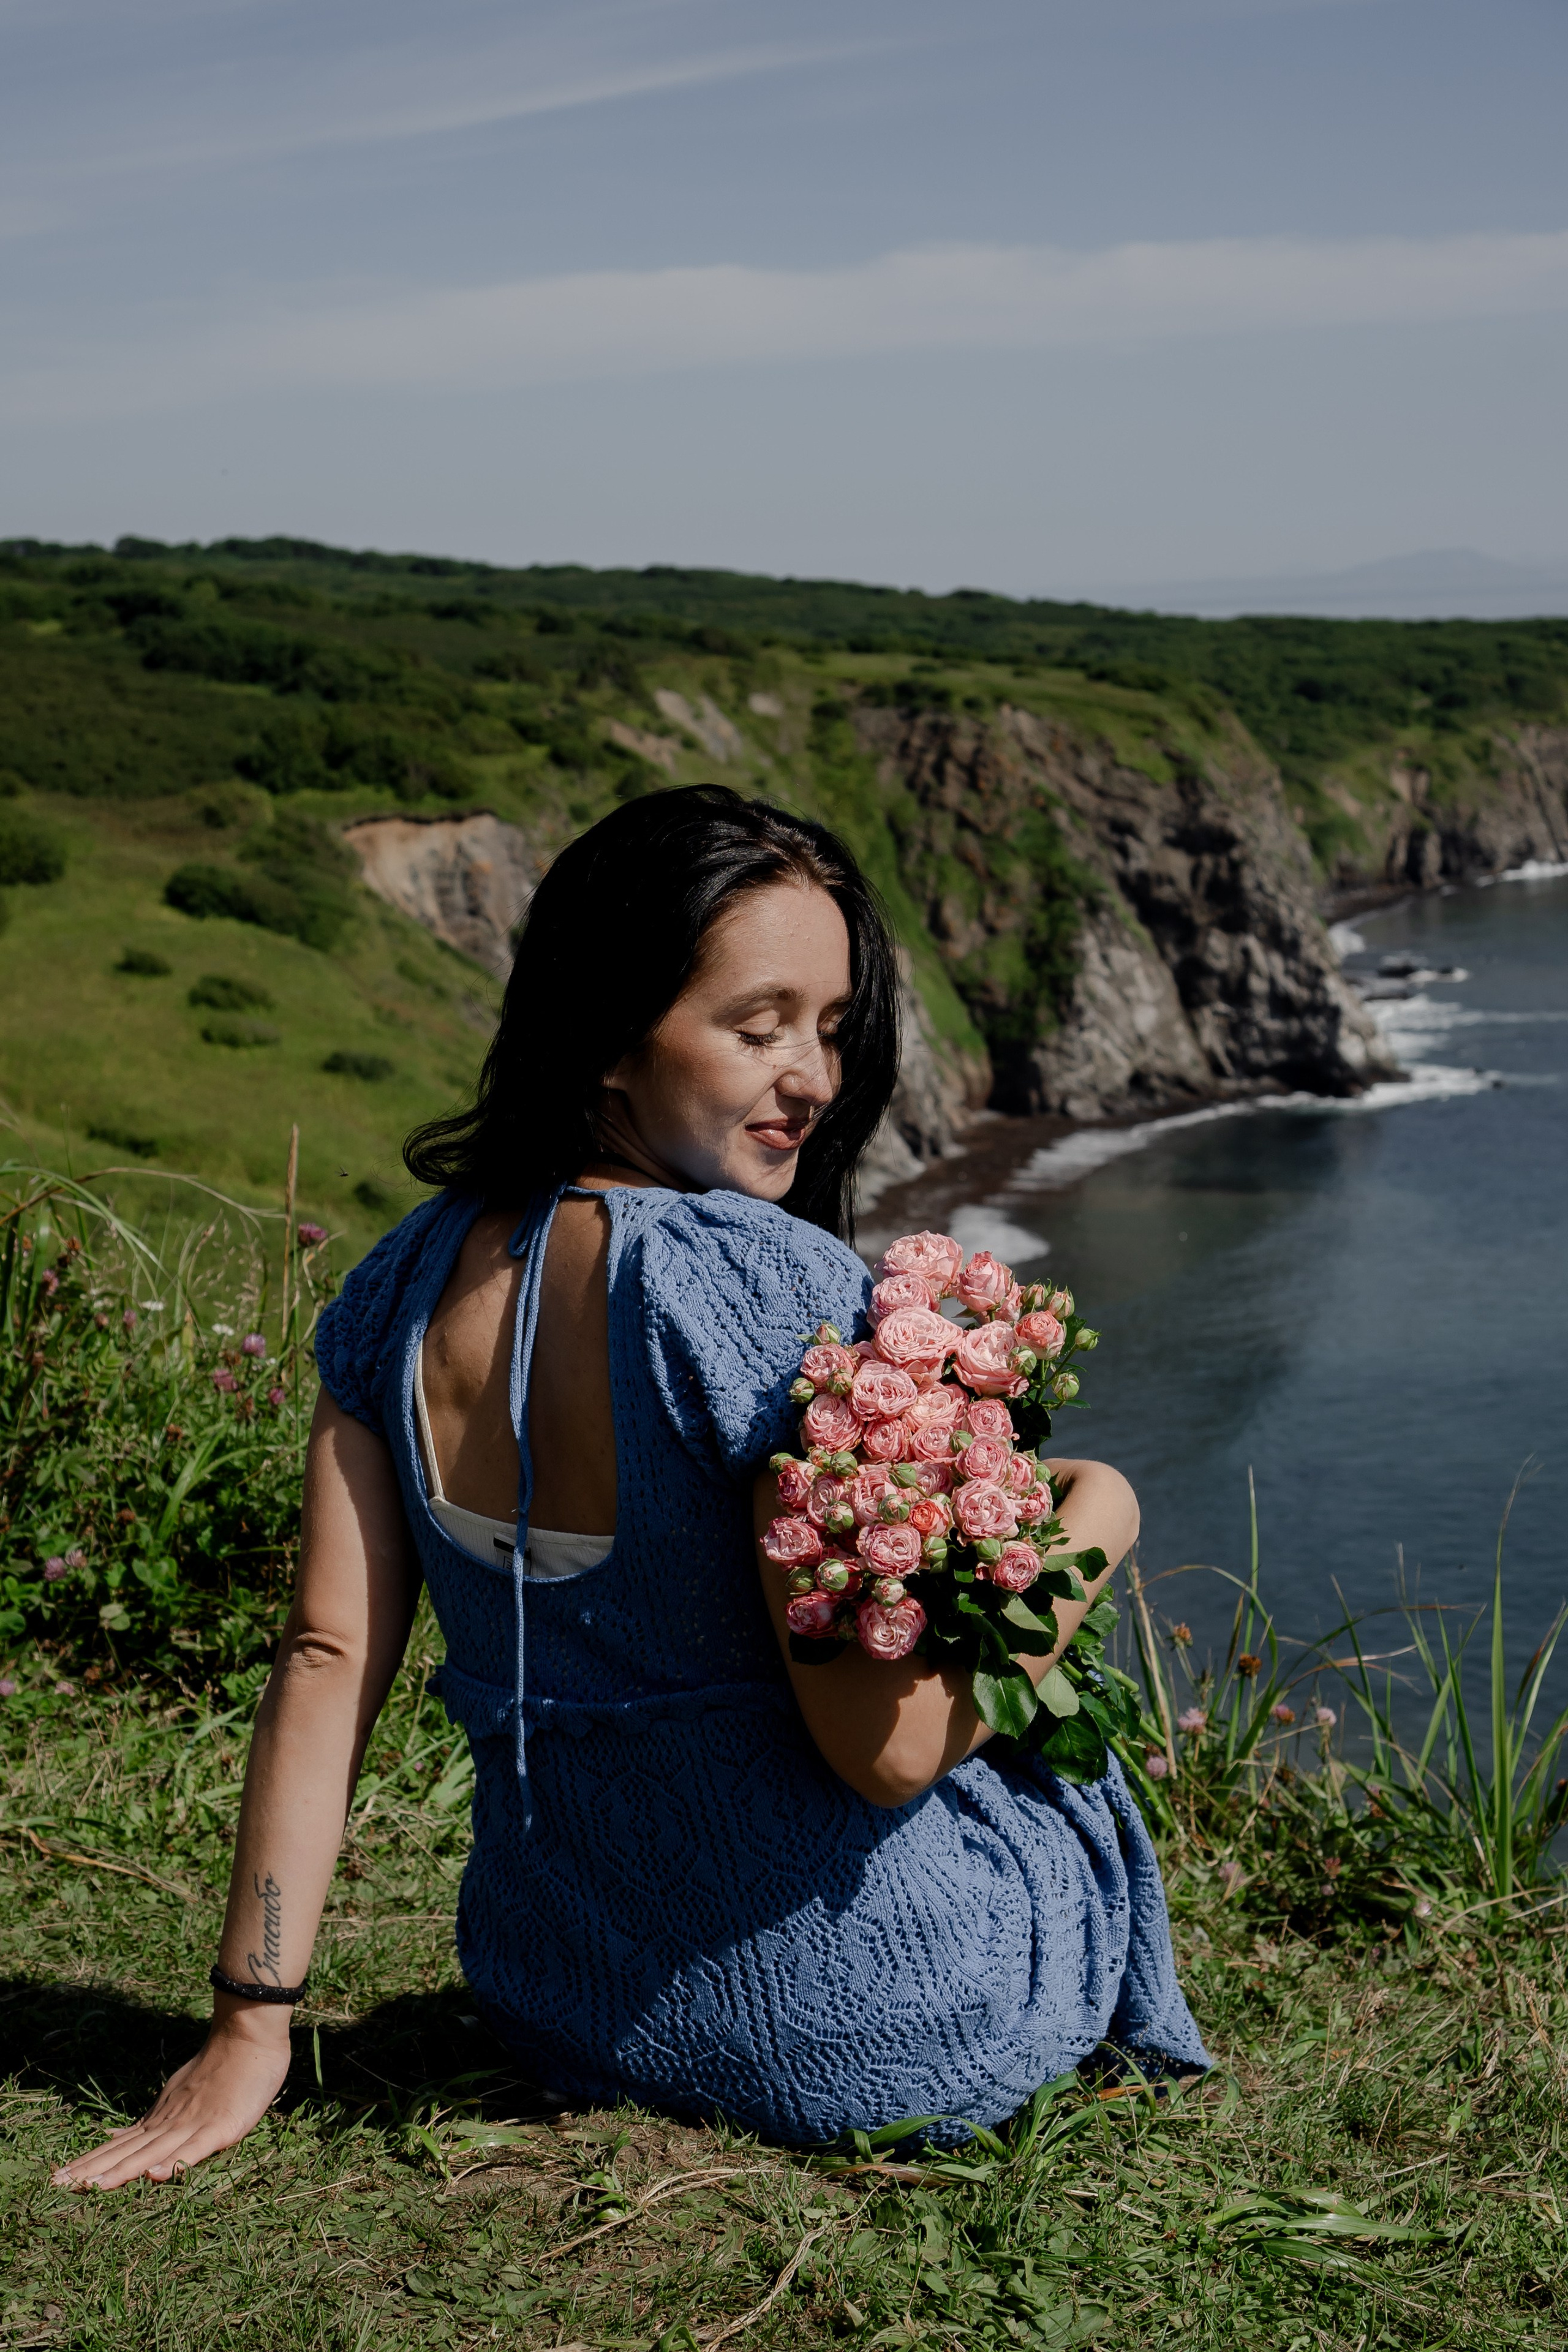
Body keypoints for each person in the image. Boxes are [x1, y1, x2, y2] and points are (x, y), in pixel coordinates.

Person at [56, 786, 1207, 2190]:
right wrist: (1098, 1511)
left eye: (831, 1027)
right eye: (756, 1024)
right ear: (609, 1034)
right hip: (882, 2034)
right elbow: (887, 1749)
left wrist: (249, 2027)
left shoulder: (396, 1288)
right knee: (1052, 1801)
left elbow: (324, 1653)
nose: (814, 1078)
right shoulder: (756, 1285)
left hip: (561, 1999)